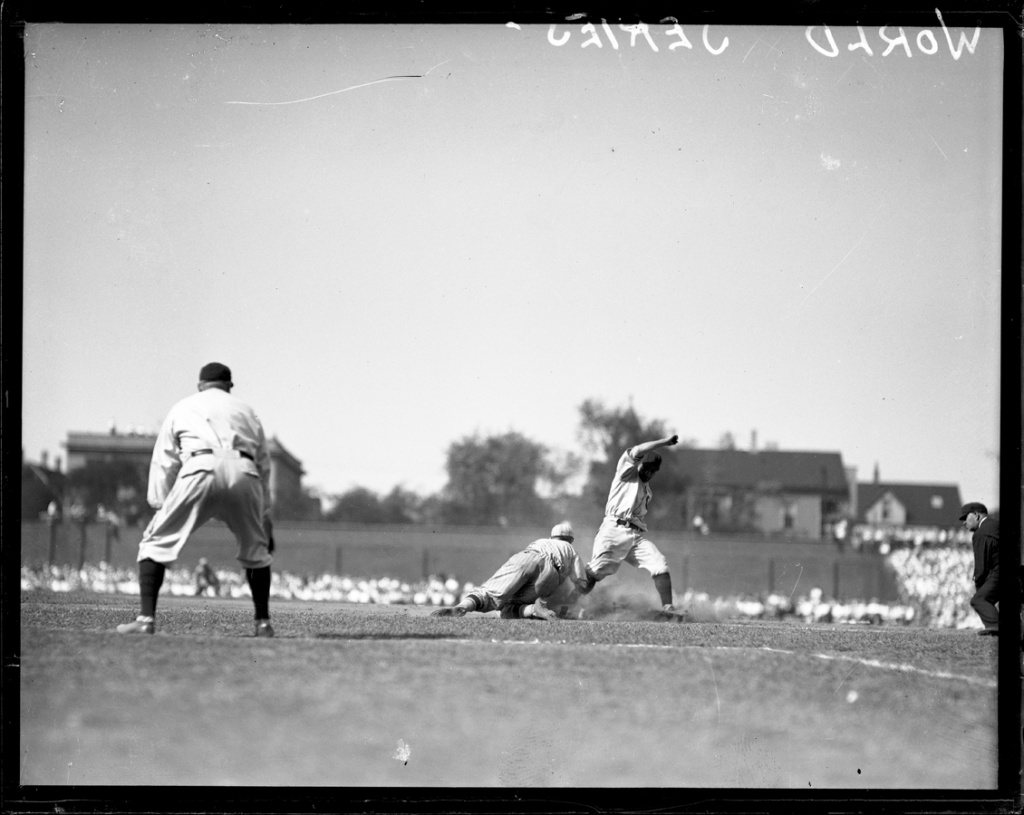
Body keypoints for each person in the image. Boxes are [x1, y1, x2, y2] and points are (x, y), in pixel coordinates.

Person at [116, 363, 276, 637]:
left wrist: (161, 504)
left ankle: (145, 620)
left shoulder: (183, 406)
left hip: (200, 468)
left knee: (154, 543)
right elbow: (264, 464)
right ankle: (263, 624)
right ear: (229, 386)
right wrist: (264, 515)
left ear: (200, 384)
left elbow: (164, 459)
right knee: (257, 553)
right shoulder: (247, 411)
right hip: (244, 471)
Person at [579, 434, 685, 618]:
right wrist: (664, 443)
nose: (649, 472)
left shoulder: (646, 492)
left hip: (634, 536)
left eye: (653, 470)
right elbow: (637, 450)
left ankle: (668, 608)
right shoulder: (626, 473)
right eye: (646, 467)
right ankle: (568, 601)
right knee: (594, 573)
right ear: (640, 463)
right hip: (612, 531)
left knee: (659, 563)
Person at [431, 522, 588, 620]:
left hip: (529, 557)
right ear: (571, 540)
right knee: (508, 609)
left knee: (490, 593)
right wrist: (575, 596)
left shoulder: (541, 541)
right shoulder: (572, 551)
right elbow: (581, 583)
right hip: (551, 575)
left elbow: (531, 562)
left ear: (552, 536)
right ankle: (534, 609)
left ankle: (463, 606)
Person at [959, 501, 999, 636]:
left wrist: (979, 588)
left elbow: (981, 568)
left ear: (976, 515)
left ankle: (995, 626)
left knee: (979, 600)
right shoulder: (995, 525)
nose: (964, 522)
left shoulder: (981, 533)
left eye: (965, 517)